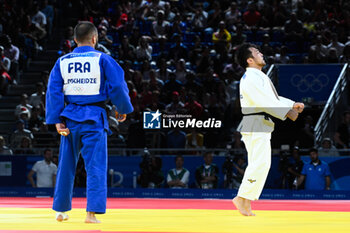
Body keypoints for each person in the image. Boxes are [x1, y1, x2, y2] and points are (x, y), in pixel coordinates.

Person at [46, 22, 133, 223]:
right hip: (94, 118)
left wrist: (56, 119)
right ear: (94, 39)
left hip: (69, 119)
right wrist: (122, 107)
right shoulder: (103, 59)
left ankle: (60, 210)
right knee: (95, 166)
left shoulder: (62, 61)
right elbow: (118, 86)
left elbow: (53, 91)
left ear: (75, 40)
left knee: (66, 164)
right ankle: (90, 214)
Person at [233, 43, 304, 216]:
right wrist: (287, 111)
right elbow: (263, 100)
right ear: (250, 60)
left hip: (258, 122)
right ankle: (242, 198)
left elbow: (270, 98)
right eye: (257, 52)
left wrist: (291, 104)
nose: (261, 54)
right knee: (260, 163)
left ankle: (244, 199)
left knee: (261, 163)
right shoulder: (251, 77)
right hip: (255, 122)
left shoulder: (256, 76)